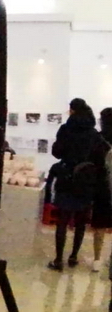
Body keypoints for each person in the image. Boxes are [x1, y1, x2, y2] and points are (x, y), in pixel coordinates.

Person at [48, 98, 105, 271]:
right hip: (85, 180)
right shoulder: (94, 134)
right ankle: (73, 257)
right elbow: (99, 158)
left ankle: (58, 259)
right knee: (81, 221)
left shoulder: (66, 129)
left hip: (67, 177)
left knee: (63, 220)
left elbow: (57, 153)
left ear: (72, 110)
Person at [89, 107, 112, 272]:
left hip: (103, 186)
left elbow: (93, 163)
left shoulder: (98, 139)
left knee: (100, 225)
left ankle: (97, 259)